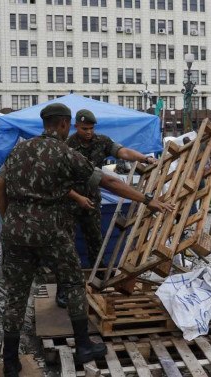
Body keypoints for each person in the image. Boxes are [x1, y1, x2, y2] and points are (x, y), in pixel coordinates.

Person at [0, 103, 173, 376]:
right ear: (66, 124)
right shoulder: (64, 152)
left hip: (15, 231)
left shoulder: (19, 150)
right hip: (50, 229)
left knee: (17, 295)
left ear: (45, 124)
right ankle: (83, 345)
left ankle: (10, 361)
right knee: (73, 282)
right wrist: (148, 200)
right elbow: (109, 182)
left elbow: (0, 186)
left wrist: (9, 220)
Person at [55, 109, 157, 307]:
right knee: (65, 247)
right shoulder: (67, 146)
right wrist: (78, 198)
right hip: (70, 202)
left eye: (91, 128)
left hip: (91, 200)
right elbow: (59, 183)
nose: (89, 132)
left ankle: (98, 278)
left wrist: (144, 158)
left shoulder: (101, 141)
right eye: (85, 128)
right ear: (76, 126)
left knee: (95, 240)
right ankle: (64, 289)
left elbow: (123, 152)